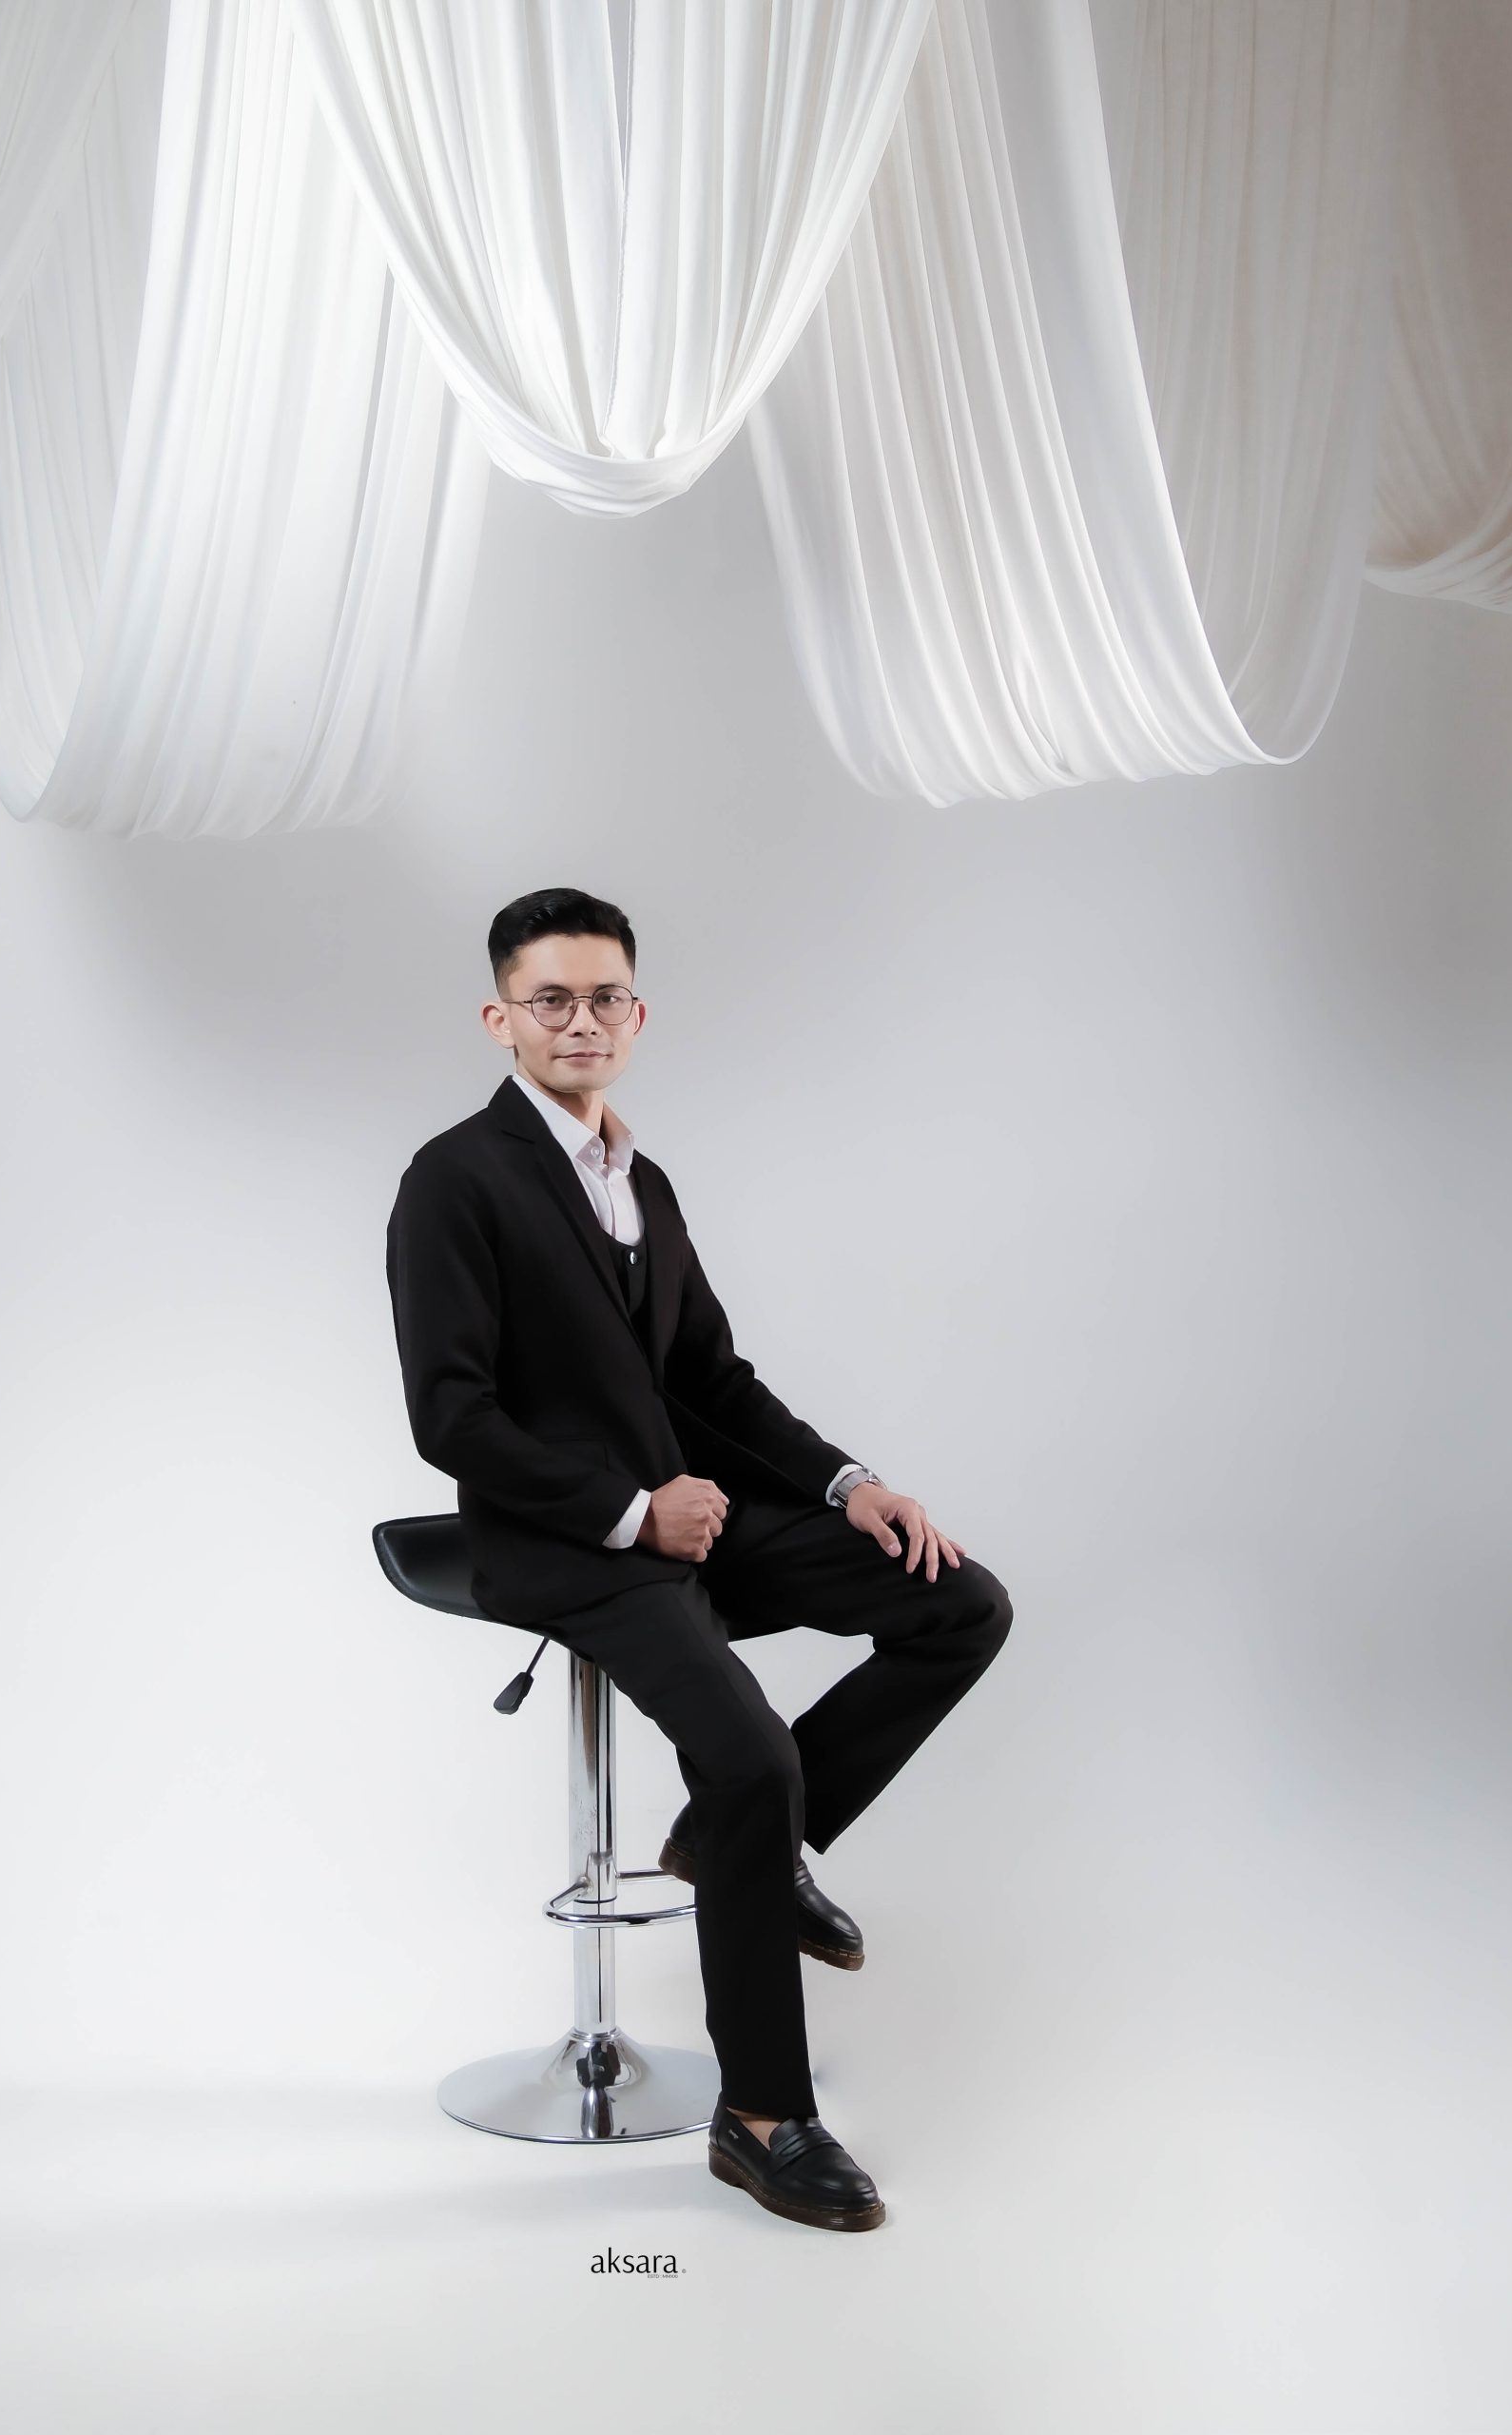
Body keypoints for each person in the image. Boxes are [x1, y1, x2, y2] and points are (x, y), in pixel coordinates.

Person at [385, 886, 1013, 2233]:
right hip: (562, 1544)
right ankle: (762, 2118)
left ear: (638, 1013)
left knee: (958, 1602)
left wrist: (849, 1484)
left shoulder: (642, 1182)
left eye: (604, 996)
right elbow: (451, 1417)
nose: (581, 1020)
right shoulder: (454, 1179)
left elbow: (712, 1380)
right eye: (550, 999)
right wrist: (629, 1512)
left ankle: (736, 1844)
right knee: (751, 1759)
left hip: (691, 1522)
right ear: (499, 1019)